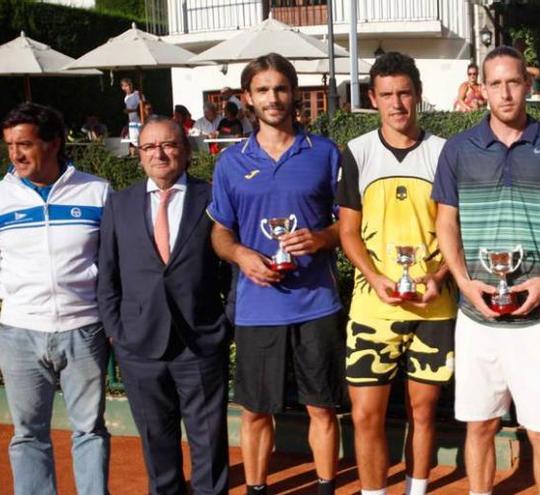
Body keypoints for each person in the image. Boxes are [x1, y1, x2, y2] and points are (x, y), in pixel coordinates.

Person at [433, 46, 540, 495]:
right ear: (482, 90)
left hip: (539, 318)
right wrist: (463, 283)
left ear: (528, 85)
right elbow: (445, 222)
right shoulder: (458, 149)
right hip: (478, 318)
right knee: (480, 428)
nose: (506, 92)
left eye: (513, 82)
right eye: (495, 84)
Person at [208, 52, 344, 495]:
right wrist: (241, 256)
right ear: (248, 97)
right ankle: (257, 489)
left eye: (281, 88)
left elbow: (348, 227)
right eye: (263, 90)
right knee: (254, 412)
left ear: (295, 94)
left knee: (321, 408)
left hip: (315, 302)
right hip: (257, 306)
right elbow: (220, 234)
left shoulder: (324, 153)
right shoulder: (231, 162)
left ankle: (325, 487)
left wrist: (321, 239)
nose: (273, 98)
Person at [338, 52, 457, 495]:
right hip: (373, 306)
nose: (397, 103)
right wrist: (375, 275)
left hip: (433, 306)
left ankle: (417, 490)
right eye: (386, 95)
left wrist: (440, 274)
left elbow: (454, 230)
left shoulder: (444, 153)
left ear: (418, 95)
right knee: (367, 414)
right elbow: (348, 232)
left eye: (404, 93)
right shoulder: (357, 152)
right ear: (373, 98)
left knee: (422, 413)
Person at [97, 116, 232, 494]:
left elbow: (234, 266)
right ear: (139, 155)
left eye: (169, 145)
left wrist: (227, 321)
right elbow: (107, 275)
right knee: (156, 440)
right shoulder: (119, 204)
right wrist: (116, 332)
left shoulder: (212, 199)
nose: (160, 153)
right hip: (139, 344)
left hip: (201, 340)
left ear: (186, 151)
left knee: (209, 440)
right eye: (150, 147)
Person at [0, 102, 112, 494]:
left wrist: (111, 321)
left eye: (25, 143)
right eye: (10, 145)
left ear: (53, 143)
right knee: (28, 433)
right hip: (19, 331)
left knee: (89, 429)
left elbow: (111, 264)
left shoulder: (97, 191)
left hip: (84, 329)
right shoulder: (1, 197)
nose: (15, 154)